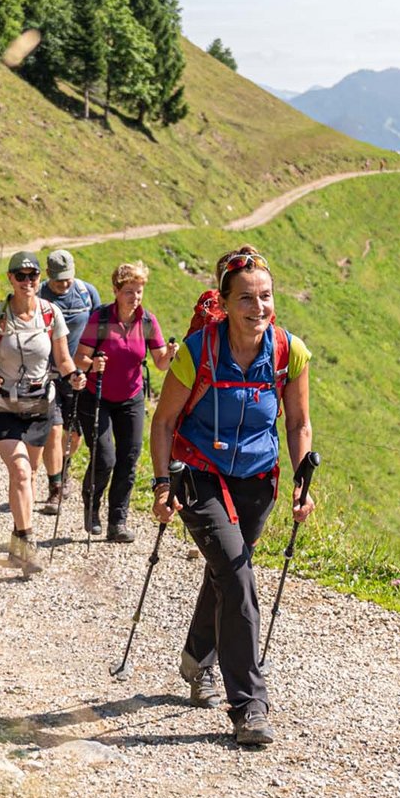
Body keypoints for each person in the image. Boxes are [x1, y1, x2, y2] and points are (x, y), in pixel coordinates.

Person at [148, 244, 314, 747]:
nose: (258, 307)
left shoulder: (288, 352)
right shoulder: (197, 352)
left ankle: (197, 659)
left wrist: (302, 479)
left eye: (265, 296)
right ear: (224, 302)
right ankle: (249, 706)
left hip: (257, 481)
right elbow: (163, 423)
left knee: (228, 567)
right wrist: (162, 484)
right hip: (199, 474)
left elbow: (299, 423)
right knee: (237, 574)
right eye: (245, 298)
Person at [0, 251, 87, 576]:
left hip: (40, 403)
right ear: (10, 279)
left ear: (40, 278)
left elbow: (63, 359)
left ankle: (16, 535)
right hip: (5, 404)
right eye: (21, 276)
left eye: (33, 276)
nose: (28, 281)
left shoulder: (51, 313)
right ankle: (28, 544)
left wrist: (74, 376)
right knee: (21, 470)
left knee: (30, 473)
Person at [76, 261, 177, 542]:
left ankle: (117, 522)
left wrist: (170, 353)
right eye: (129, 292)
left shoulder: (147, 322)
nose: (135, 297)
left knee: (128, 459)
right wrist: (93, 364)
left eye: (139, 291)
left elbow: (160, 363)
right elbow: (79, 358)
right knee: (104, 457)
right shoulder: (100, 319)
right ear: (116, 291)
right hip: (97, 396)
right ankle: (92, 507)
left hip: (131, 398)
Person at [37, 248, 101, 516]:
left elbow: (99, 328)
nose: (64, 284)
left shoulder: (87, 293)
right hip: (47, 375)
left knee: (73, 435)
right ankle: (54, 487)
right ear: (48, 275)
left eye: (68, 278)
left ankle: (63, 466)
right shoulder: (39, 294)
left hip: (78, 376)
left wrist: (96, 361)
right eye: (58, 280)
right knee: (53, 430)